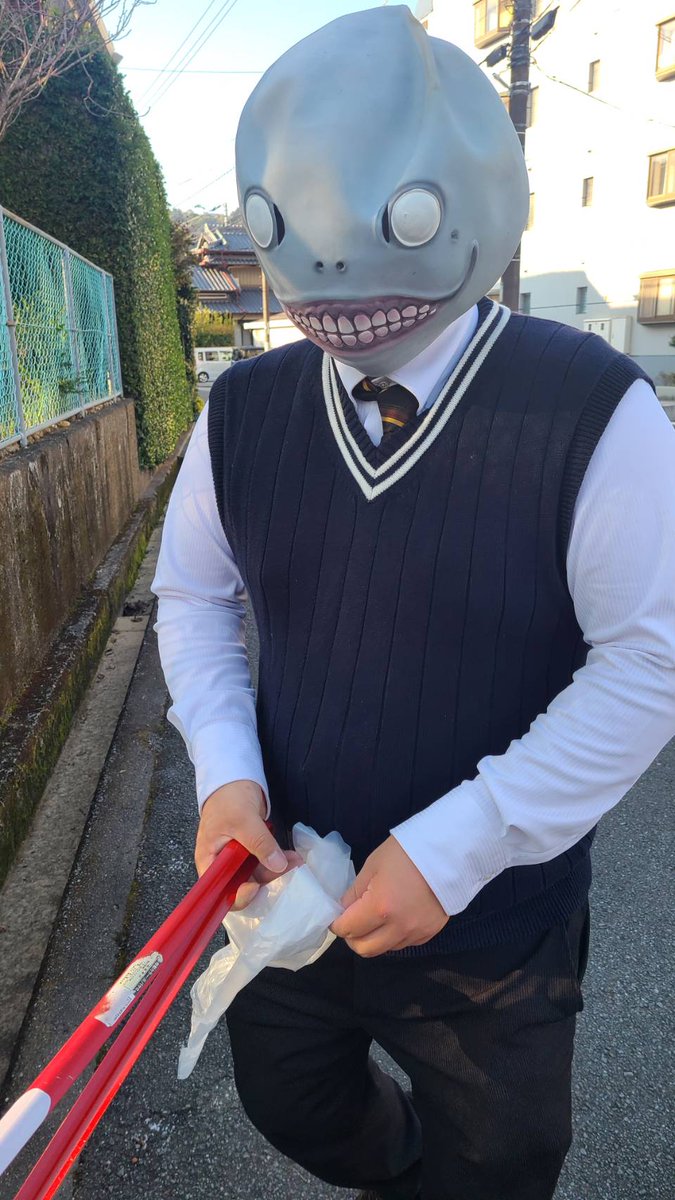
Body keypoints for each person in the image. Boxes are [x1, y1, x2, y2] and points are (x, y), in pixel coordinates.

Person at [152, 9, 675, 1199]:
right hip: (287, 887)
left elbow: (650, 660)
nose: (337, 288)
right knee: (291, 1099)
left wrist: (462, 845)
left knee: (505, 1159)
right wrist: (227, 773)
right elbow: (191, 596)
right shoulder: (241, 415)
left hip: (496, 925)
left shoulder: (594, 411)